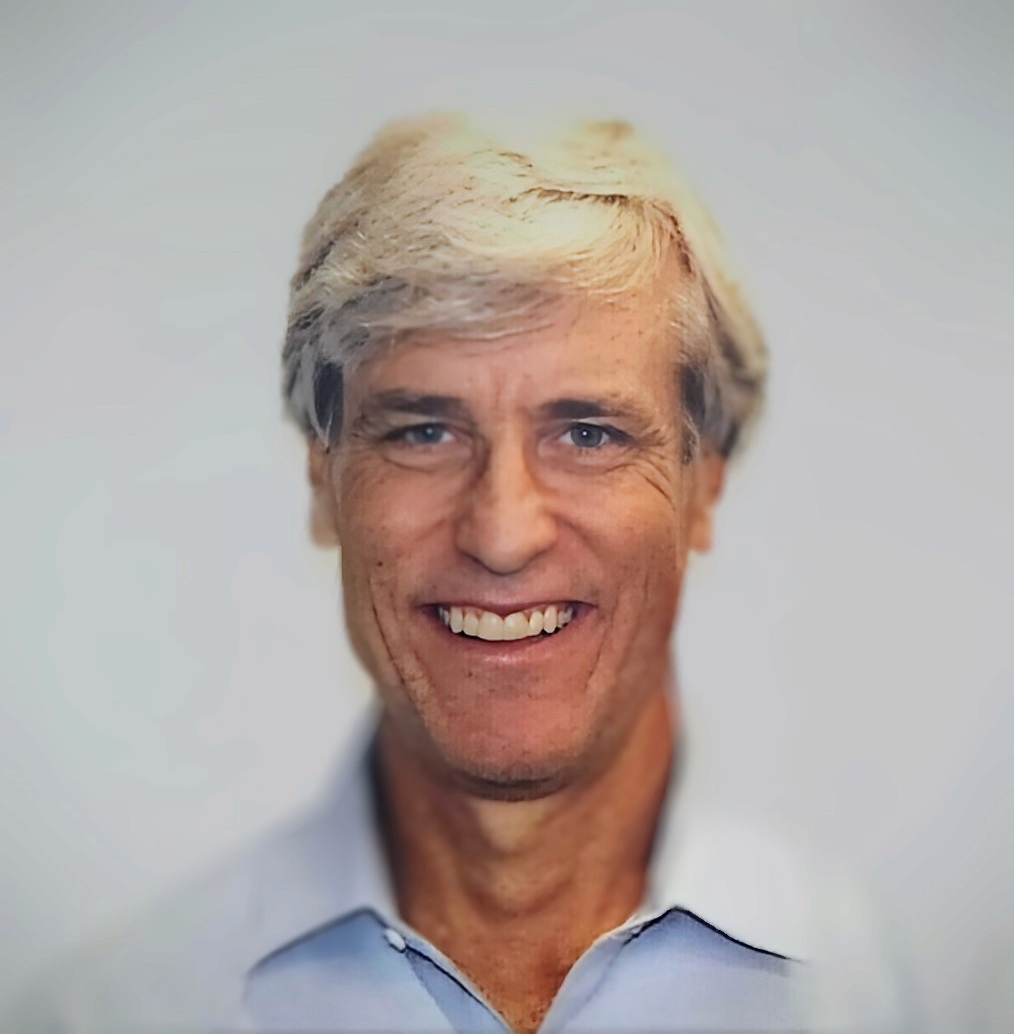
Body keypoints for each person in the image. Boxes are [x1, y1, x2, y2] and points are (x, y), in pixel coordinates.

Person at [6, 112, 910, 1033]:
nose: (503, 533)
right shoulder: (111, 1015)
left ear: (703, 484)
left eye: (587, 433)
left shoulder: (896, 997)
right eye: (424, 431)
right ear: (323, 480)